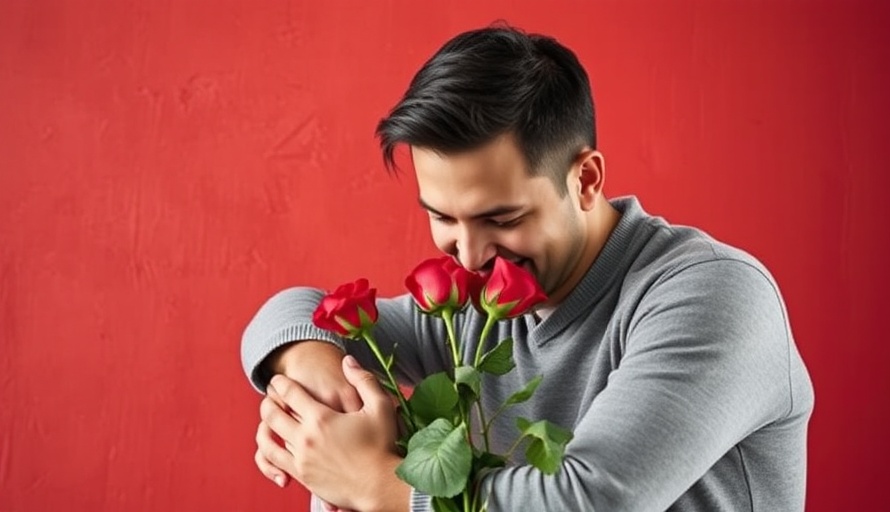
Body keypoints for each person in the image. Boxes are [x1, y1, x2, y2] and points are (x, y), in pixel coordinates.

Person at [241, 25, 814, 512]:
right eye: (443, 217)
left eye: (501, 218)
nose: (467, 255)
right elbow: (288, 313)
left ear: (585, 179)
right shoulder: (477, 308)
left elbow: (590, 499)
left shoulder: (714, 294)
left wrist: (374, 483)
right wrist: (317, 388)